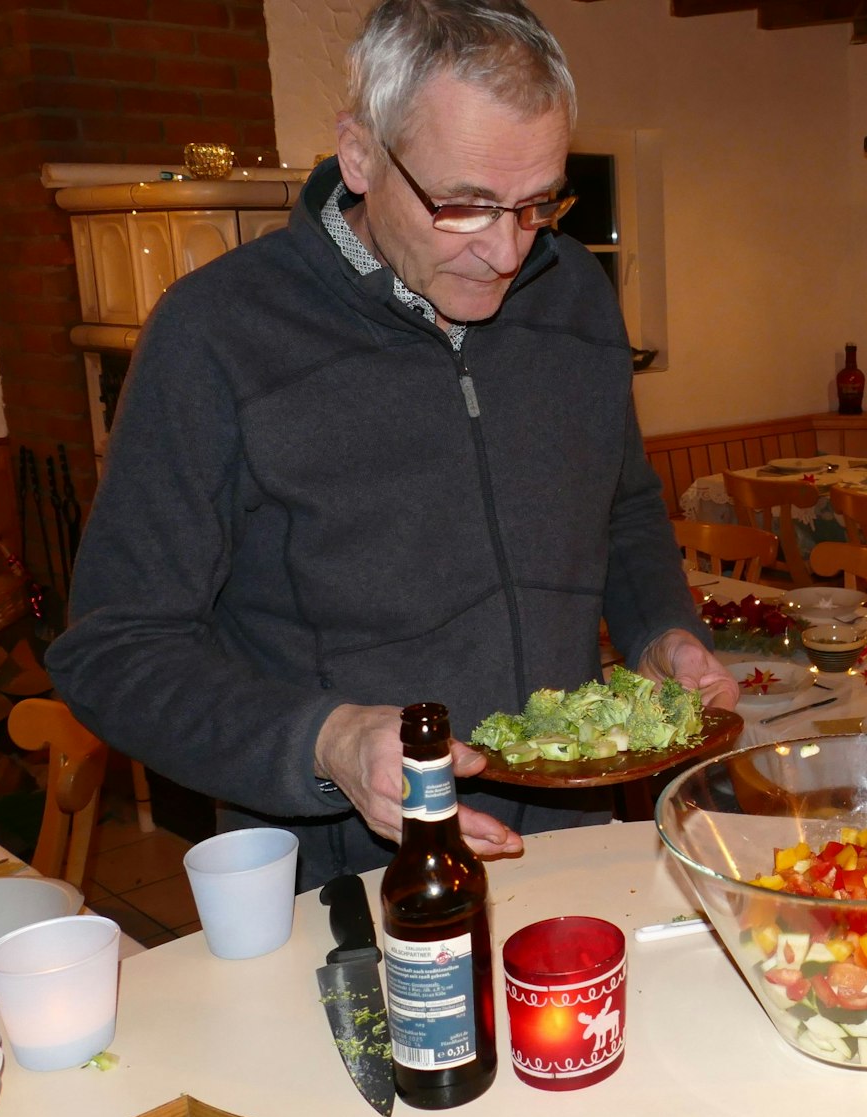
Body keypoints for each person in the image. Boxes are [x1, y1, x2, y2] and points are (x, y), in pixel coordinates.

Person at [47, 0, 735, 890]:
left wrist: (660, 631)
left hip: (574, 847)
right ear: (361, 153)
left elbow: (623, 502)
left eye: (536, 204)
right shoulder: (215, 334)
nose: (504, 252)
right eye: (464, 205)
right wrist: (326, 741)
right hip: (346, 879)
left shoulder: (575, 299)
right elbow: (111, 650)